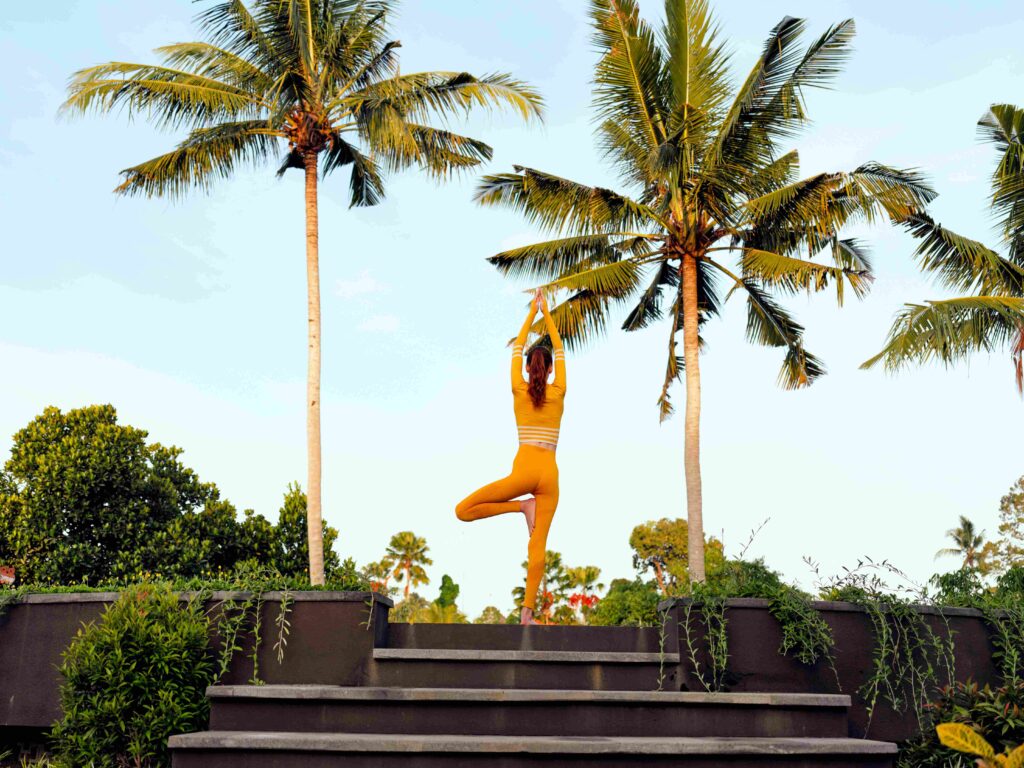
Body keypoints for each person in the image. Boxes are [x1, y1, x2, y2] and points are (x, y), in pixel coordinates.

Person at [455, 288, 566, 625]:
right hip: (550, 475)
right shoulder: (559, 391)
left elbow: (517, 349)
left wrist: (532, 312)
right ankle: (527, 615)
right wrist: (547, 313)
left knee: (462, 511)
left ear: (529, 368)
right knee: (538, 546)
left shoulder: (518, 390)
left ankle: (521, 506)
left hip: (523, 472)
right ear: (547, 370)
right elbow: (560, 350)